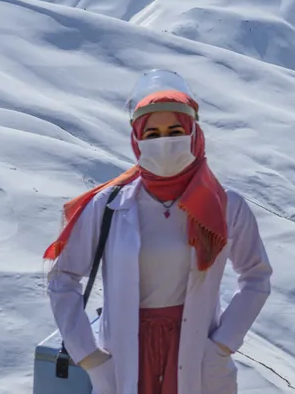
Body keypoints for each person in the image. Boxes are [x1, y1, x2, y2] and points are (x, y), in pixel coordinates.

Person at [45, 70, 272, 394]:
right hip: (124, 358)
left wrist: (221, 345)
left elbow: (256, 276)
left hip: (198, 358)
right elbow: (63, 278)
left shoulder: (225, 205)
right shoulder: (108, 205)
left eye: (175, 131)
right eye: (152, 134)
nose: (164, 141)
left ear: (194, 133)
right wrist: (91, 358)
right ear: (136, 139)